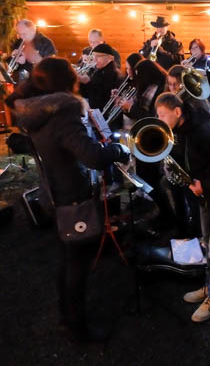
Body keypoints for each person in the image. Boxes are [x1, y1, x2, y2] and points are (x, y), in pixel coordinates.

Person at [5, 57, 129, 341]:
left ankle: (66, 315)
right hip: (72, 196)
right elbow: (93, 156)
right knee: (77, 263)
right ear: (66, 81)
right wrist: (118, 151)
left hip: (55, 192)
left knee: (67, 257)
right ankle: (77, 327)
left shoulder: (37, 111)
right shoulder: (63, 113)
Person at [155, 92, 210, 322]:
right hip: (205, 196)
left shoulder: (205, 131)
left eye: (162, 115)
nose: (160, 120)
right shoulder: (181, 132)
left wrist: (205, 185)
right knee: (207, 242)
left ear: (177, 112)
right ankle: (209, 285)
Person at [79, 44, 124, 112]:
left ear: (109, 58)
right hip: (96, 112)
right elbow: (87, 94)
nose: (95, 59)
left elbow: (100, 96)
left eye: (98, 56)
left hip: (105, 115)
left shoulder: (113, 74)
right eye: (94, 56)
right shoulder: (97, 72)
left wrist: (87, 82)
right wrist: (80, 82)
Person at [181, 38, 210, 117]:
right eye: (192, 48)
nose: (194, 50)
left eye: (196, 47)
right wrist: (181, 69)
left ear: (201, 48)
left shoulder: (207, 60)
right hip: (191, 97)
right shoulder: (188, 61)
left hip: (205, 97)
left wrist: (192, 69)